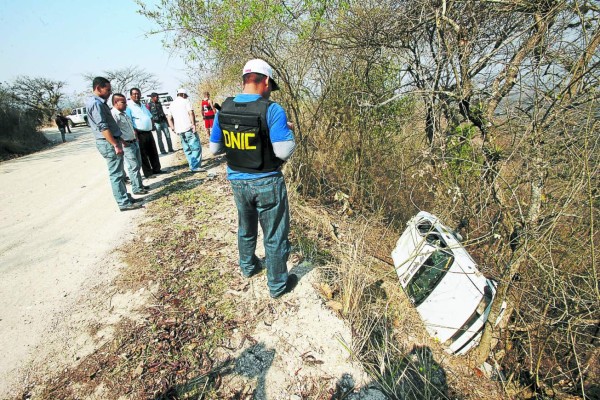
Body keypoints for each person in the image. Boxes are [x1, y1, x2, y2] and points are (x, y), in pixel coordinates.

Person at [209, 59, 297, 299]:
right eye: (270, 86)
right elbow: (283, 151)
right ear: (266, 81)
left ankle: (248, 267)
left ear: (244, 80)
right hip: (267, 180)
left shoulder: (224, 109)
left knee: (245, 227)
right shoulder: (272, 110)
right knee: (275, 234)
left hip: (237, 181)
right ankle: (278, 285)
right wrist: (286, 130)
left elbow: (215, 149)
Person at [85, 77, 142, 211]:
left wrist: (120, 140)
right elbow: (103, 127)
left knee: (120, 173)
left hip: (113, 141)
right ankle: (123, 202)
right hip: (107, 143)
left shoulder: (100, 102)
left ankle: (126, 197)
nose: (110, 92)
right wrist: (115, 144)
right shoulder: (95, 104)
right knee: (116, 174)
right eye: (108, 89)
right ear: (98, 88)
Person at [111, 93, 151, 196]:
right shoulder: (114, 115)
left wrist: (135, 137)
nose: (125, 105)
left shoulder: (124, 113)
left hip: (133, 142)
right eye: (123, 102)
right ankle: (136, 188)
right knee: (133, 167)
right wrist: (122, 142)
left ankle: (139, 185)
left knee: (138, 165)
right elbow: (113, 131)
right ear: (116, 102)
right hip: (126, 145)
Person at [126, 88, 165, 178]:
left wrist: (152, 125)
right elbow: (129, 121)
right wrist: (134, 133)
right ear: (131, 95)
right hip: (139, 133)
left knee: (153, 151)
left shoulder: (142, 105)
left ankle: (156, 169)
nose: (137, 95)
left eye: (138, 93)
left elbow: (150, 116)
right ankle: (148, 173)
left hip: (148, 132)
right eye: (134, 94)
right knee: (143, 154)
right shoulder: (129, 106)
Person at [166, 88, 204, 172]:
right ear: (183, 95)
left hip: (179, 130)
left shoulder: (172, 104)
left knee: (187, 149)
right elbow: (191, 113)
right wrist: (193, 124)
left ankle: (192, 165)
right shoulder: (186, 101)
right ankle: (195, 166)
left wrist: (172, 128)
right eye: (186, 95)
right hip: (188, 128)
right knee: (195, 147)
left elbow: (169, 118)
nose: (186, 97)